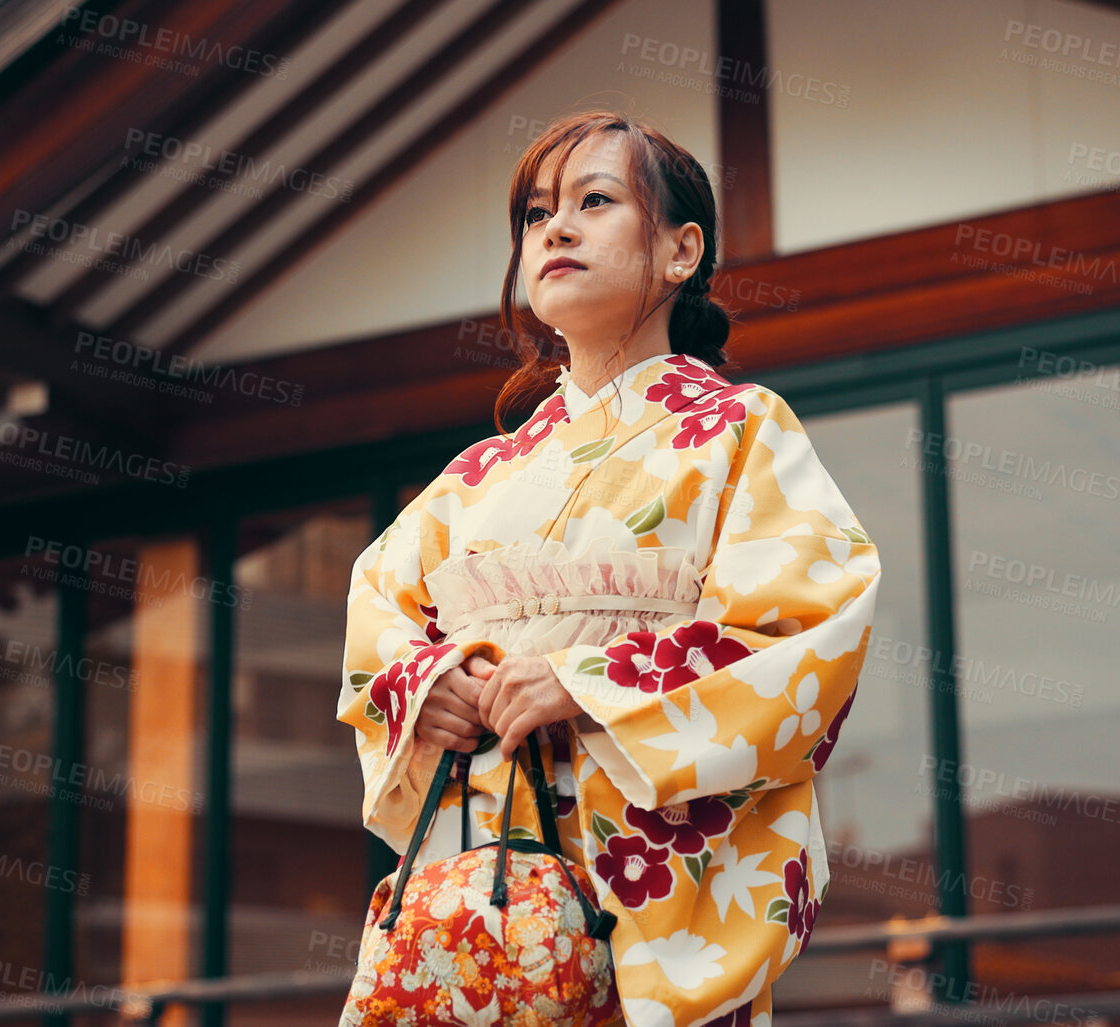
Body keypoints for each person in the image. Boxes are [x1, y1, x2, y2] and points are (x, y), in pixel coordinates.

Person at [337, 109, 881, 1027]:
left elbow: (803, 635)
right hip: (481, 886)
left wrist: (586, 683)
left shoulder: (741, 430)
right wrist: (428, 684)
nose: (554, 228)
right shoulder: (474, 477)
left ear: (680, 251)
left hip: (647, 877)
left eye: (595, 201)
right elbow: (379, 612)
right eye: (536, 213)